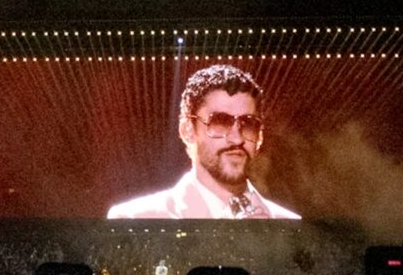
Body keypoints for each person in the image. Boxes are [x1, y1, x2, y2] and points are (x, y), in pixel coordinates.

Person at [107, 64, 300, 219]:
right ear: (187, 131)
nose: (237, 138)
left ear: (260, 136)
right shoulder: (136, 220)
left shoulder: (289, 228)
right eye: (220, 122)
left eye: (248, 124)